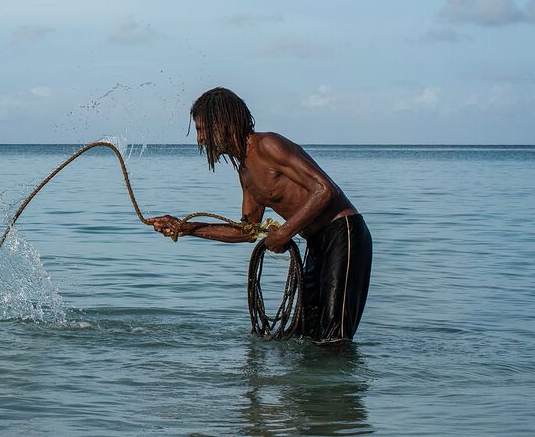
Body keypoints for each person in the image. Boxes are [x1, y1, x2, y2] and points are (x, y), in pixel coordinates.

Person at [152, 87, 372, 344]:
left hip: (344, 234)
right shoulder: (245, 172)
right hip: (317, 242)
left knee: (334, 339)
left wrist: (284, 234)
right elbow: (247, 232)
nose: (199, 140)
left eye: (202, 130)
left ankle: (339, 382)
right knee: (308, 335)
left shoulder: (268, 145)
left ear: (223, 124)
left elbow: (325, 190)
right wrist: (186, 228)